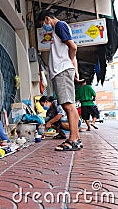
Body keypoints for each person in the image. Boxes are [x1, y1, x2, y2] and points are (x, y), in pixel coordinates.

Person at [40, 11, 83, 151]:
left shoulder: (59, 25)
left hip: (62, 71)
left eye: (43, 24)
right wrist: (75, 71)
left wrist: (68, 62)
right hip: (62, 70)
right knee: (69, 106)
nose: (43, 27)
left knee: (68, 106)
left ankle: (73, 140)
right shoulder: (58, 29)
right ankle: (76, 139)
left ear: (47, 18)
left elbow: (73, 47)